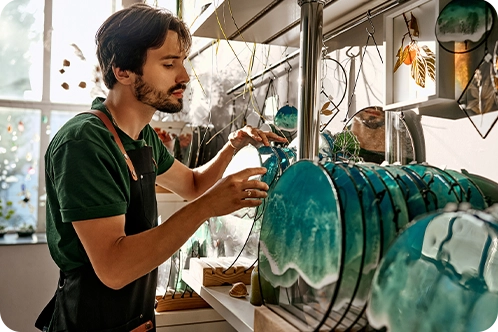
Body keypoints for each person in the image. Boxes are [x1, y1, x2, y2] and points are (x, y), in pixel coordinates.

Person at [39, 3, 287, 331]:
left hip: (136, 318)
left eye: (182, 62)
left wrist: (233, 146)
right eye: (169, 63)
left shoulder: (142, 138)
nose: (184, 76)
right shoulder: (84, 142)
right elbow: (113, 268)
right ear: (123, 71)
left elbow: (194, 185)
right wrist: (207, 208)